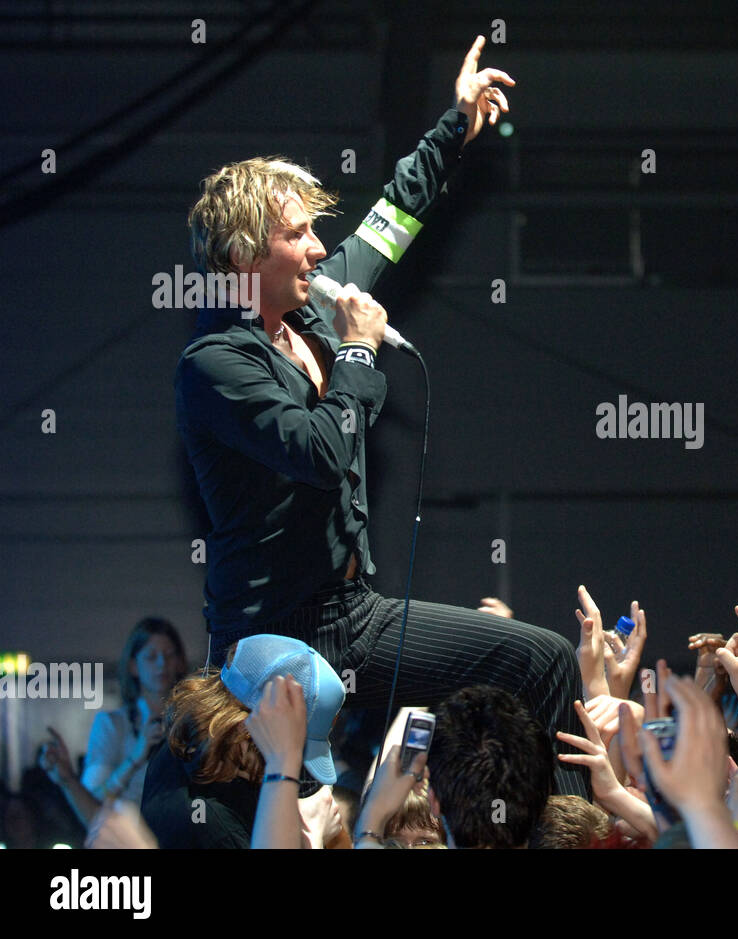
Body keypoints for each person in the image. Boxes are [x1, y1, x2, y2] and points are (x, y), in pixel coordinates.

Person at [173, 36, 587, 797]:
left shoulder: (317, 309)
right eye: (294, 234)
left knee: (545, 658)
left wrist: (456, 126)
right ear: (241, 258)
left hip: (352, 612)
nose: (317, 248)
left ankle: (579, 835)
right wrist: (360, 355)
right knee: (240, 817)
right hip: (273, 639)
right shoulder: (214, 366)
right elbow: (320, 449)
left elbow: (392, 219)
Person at [140, 634, 345, 849]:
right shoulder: (219, 831)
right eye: (295, 748)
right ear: (249, 730)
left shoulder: (179, 747)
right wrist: (314, 836)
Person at [39, 616, 188, 826]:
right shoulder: (112, 724)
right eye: (151, 656)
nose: (162, 664)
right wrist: (136, 757)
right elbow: (92, 803)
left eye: (169, 655)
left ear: (180, 662)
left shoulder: (192, 721)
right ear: (133, 666)